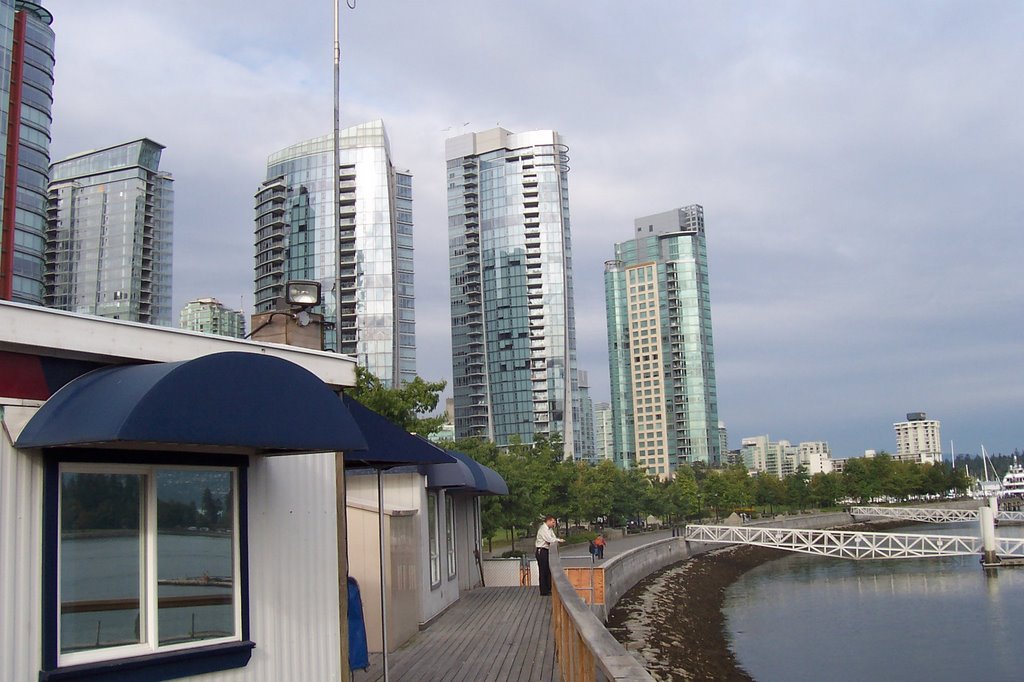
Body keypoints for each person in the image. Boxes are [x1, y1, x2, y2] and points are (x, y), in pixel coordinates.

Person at [534, 515, 564, 595]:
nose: (554, 524)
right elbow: (549, 539)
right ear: (549, 521)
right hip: (542, 550)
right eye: (553, 522)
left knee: (548, 570)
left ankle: (548, 588)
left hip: (547, 550)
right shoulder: (543, 529)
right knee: (543, 571)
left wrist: (556, 540)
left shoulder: (549, 529)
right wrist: (558, 540)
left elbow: (553, 537)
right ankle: (544, 591)